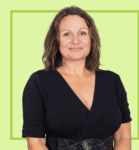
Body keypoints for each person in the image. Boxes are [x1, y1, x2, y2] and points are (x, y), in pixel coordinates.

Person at [22, 5, 132, 150]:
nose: (75, 40)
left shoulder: (113, 81)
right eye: (67, 34)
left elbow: (123, 137)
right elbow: (35, 143)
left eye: (82, 33)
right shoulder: (39, 82)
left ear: (91, 39)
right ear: (56, 40)